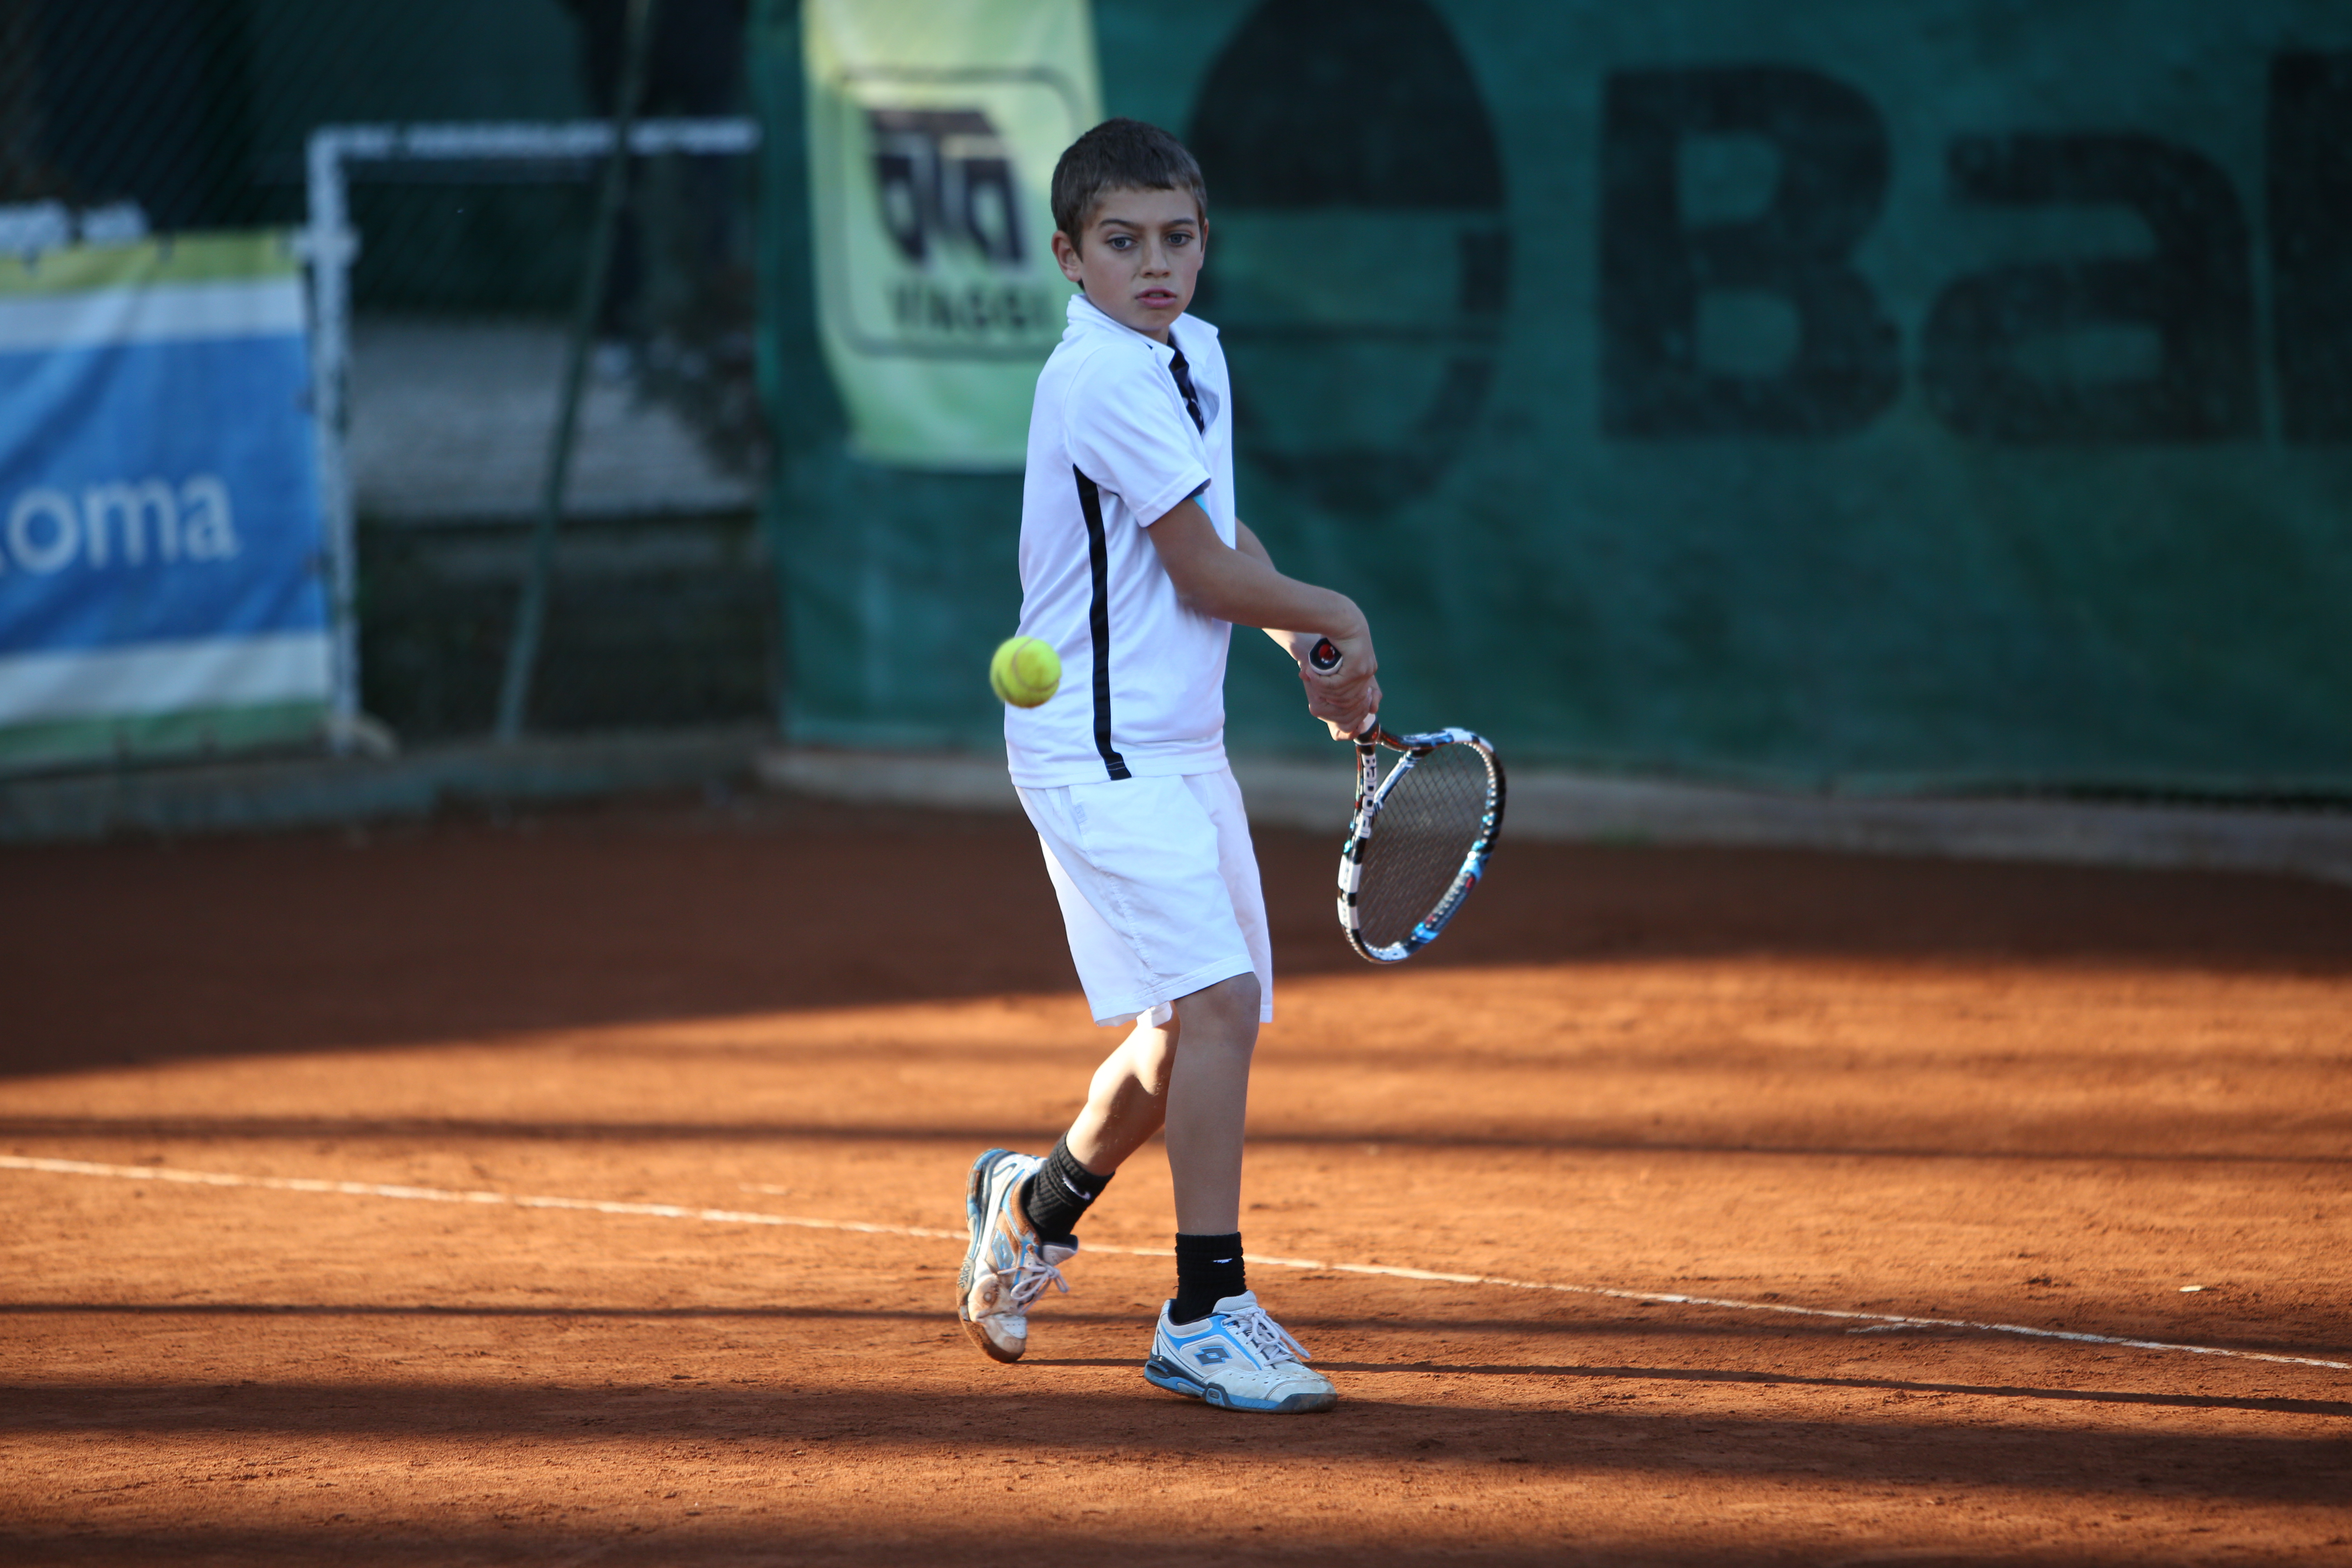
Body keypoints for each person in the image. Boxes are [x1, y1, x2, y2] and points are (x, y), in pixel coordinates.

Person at [957, 118, 1380, 1414]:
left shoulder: (1191, 352)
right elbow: (1204, 575)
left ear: (1206, 244)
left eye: (1178, 238)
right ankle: (1206, 1309)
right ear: (1068, 258)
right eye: (1123, 242)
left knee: (1193, 1023)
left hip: (1177, 745)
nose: (1157, 264)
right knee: (1216, 997)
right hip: (1094, 750)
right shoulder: (1097, 379)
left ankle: (1033, 1208)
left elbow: (1212, 527)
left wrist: (1300, 629)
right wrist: (1341, 614)